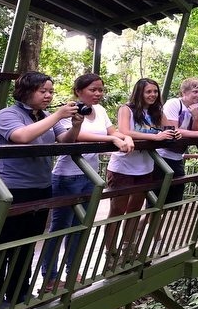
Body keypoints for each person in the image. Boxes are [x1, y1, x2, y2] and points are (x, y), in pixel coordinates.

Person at [0, 71, 78, 309]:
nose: (48, 95)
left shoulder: (42, 116)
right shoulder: (8, 115)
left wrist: (75, 125)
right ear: (26, 91)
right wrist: (56, 115)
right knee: (2, 246)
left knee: (28, 244)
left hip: (41, 188)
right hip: (10, 190)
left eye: (51, 91)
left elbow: (64, 140)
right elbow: (21, 137)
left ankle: (19, 293)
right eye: (43, 91)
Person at [39, 73, 134, 292]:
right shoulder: (67, 111)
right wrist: (111, 139)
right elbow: (74, 136)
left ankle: (72, 270)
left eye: (100, 89)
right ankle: (49, 277)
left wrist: (125, 137)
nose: (98, 94)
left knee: (80, 227)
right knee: (60, 227)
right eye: (93, 89)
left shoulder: (100, 111)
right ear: (78, 91)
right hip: (67, 176)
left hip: (89, 176)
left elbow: (113, 131)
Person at [104, 77, 178, 263]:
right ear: (140, 93)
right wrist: (156, 137)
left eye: (155, 91)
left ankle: (128, 249)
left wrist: (173, 132)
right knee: (117, 210)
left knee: (135, 210)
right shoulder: (126, 109)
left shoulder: (156, 112)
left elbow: (169, 128)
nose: (152, 95)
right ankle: (110, 253)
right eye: (148, 92)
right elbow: (125, 131)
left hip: (145, 167)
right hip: (123, 167)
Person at [157, 77, 198, 204]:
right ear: (184, 93)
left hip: (178, 156)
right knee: (156, 202)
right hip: (161, 156)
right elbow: (174, 131)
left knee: (173, 202)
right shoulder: (173, 104)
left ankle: (160, 223)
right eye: (195, 92)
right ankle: (144, 223)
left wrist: (196, 117)